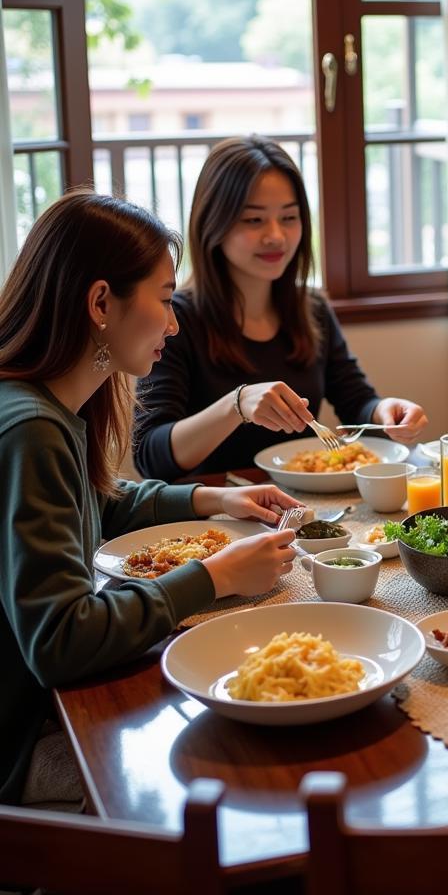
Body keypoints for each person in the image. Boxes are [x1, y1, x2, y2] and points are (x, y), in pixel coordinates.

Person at [0, 191, 305, 805]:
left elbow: (95, 505)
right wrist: (211, 577)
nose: (173, 323)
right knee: (233, 769)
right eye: (165, 301)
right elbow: (61, 642)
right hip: (22, 741)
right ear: (100, 302)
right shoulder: (29, 427)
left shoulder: (44, 406)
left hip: (35, 709)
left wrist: (211, 503)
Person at [133, 135, 427, 480]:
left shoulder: (311, 307)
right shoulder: (176, 318)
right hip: (212, 516)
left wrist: (384, 413)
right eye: (254, 220)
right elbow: (151, 456)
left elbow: (356, 401)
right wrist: (237, 405)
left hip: (297, 508)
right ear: (213, 223)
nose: (276, 236)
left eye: (289, 217)